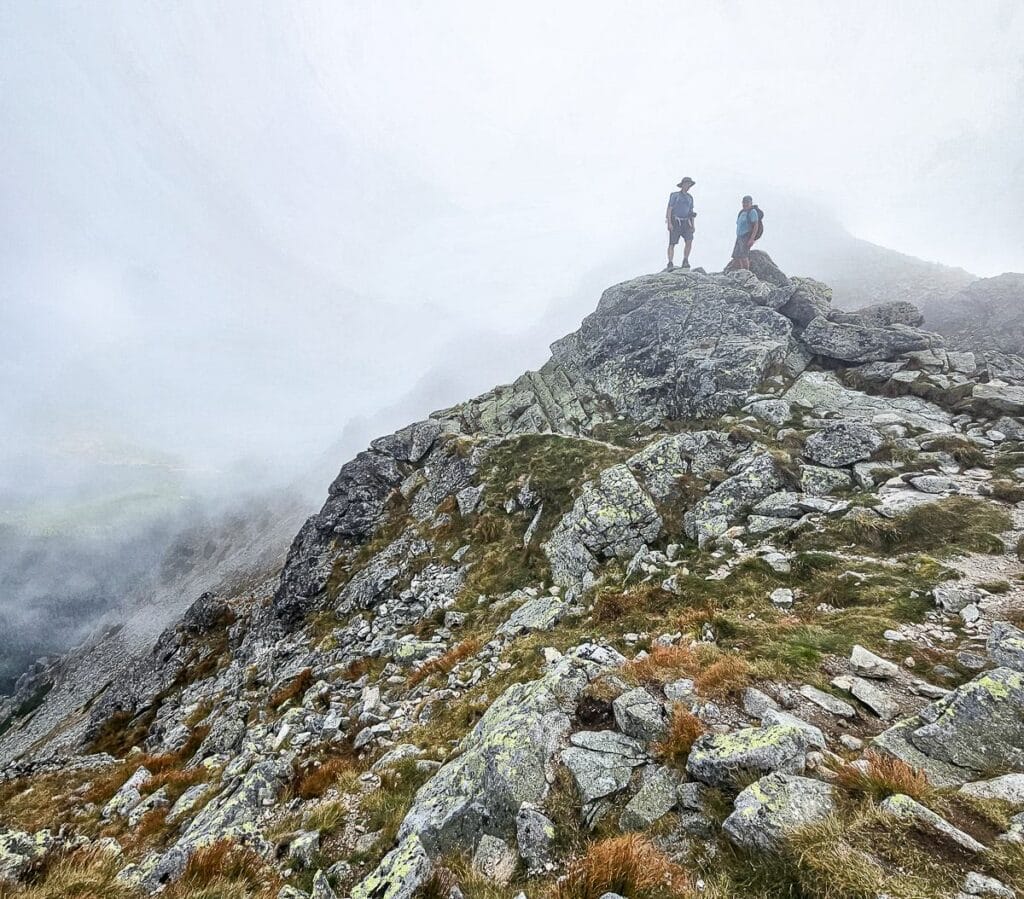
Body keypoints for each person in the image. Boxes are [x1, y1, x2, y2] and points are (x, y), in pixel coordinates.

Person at [664, 177, 696, 271]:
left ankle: (685, 260)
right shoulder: (675, 195)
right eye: (686, 184)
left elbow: (691, 212)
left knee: (689, 240)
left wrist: (693, 225)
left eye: (689, 184)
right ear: (682, 185)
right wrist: (669, 222)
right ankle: (670, 262)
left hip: (686, 221)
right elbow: (669, 209)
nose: (688, 186)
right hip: (676, 221)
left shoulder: (690, 198)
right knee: (672, 242)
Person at [729, 195, 760, 270]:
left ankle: (746, 273)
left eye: (747, 202)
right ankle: (740, 272)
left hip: (746, 236)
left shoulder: (752, 212)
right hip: (739, 237)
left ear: (751, 203)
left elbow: (756, 226)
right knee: (736, 256)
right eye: (744, 202)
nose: (745, 204)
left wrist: (752, 239)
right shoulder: (742, 212)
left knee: (744, 256)